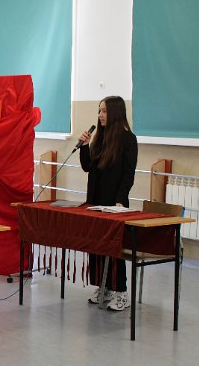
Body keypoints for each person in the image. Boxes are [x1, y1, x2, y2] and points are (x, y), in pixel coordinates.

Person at [78, 96, 137, 311]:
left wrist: (120, 200)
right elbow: (88, 167)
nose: (100, 115)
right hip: (95, 201)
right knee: (96, 245)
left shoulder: (128, 139)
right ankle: (103, 287)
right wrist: (85, 146)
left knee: (113, 248)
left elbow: (128, 174)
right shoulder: (100, 137)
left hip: (114, 202)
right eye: (99, 110)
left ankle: (121, 291)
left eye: (104, 111)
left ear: (115, 112)